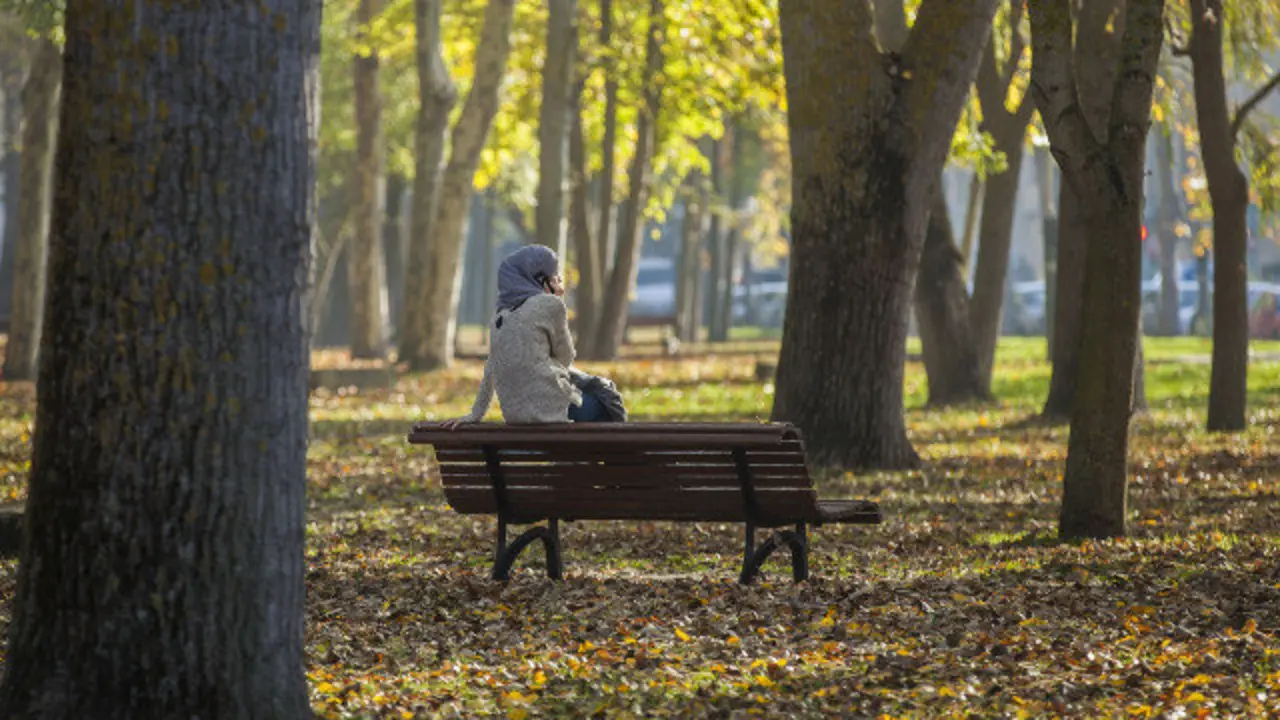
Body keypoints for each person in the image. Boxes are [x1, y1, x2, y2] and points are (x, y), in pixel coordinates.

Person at [441, 245, 623, 428]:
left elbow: (491, 370)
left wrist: (475, 415)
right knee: (606, 406)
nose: (558, 279)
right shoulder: (550, 304)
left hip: (515, 415)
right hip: (554, 407)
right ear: (540, 278)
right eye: (554, 275)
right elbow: (566, 358)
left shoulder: (499, 317)